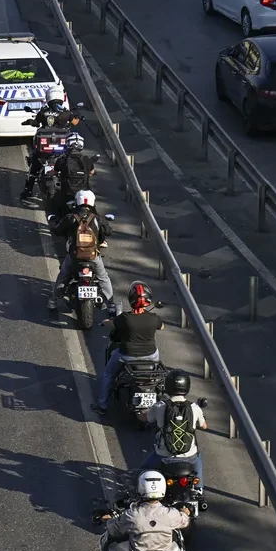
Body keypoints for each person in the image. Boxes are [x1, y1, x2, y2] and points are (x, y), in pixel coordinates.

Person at [100, 470, 191, 551]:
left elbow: (114, 530)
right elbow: (184, 521)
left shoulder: (133, 515)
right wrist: (185, 513)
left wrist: (108, 520)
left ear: (141, 488)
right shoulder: (171, 514)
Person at [92, 281, 163, 415]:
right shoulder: (154, 318)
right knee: (156, 362)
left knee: (108, 374)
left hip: (127, 355)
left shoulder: (125, 318)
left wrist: (104, 322)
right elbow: (162, 326)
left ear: (130, 299)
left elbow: (112, 325)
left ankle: (102, 405)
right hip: (150, 356)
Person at [139, 370, 208, 486]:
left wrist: (140, 413)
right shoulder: (194, 407)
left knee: (143, 470)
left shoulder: (160, 406)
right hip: (189, 456)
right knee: (197, 461)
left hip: (164, 455)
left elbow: (147, 419)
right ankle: (199, 489)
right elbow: (204, 426)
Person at [53, 189, 116, 313]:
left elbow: (57, 230)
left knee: (63, 275)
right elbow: (109, 232)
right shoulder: (97, 218)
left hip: (74, 255)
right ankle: (111, 304)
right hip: (93, 257)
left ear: (77, 201)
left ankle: (53, 300)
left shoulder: (71, 217)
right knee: (103, 277)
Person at [19, 86, 82, 200]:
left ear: (48, 97)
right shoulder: (66, 113)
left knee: (34, 167)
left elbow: (36, 123)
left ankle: (28, 190)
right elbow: (75, 121)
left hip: (43, 150)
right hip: (60, 149)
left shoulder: (43, 112)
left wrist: (29, 122)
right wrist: (75, 120)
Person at [50, 132, 96, 217]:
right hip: (83, 192)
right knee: (93, 209)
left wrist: (50, 173)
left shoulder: (62, 160)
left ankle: (56, 222)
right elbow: (92, 172)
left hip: (67, 193)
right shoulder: (87, 160)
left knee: (54, 204)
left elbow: (54, 172)